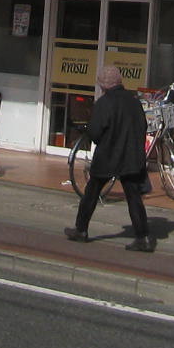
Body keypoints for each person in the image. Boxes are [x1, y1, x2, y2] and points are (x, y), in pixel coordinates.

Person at [66, 65, 155, 252]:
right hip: (131, 156)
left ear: (103, 85)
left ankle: (81, 230)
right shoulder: (134, 102)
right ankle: (143, 237)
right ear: (120, 82)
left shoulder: (104, 104)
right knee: (133, 197)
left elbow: (96, 133)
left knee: (92, 192)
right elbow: (143, 127)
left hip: (108, 155)